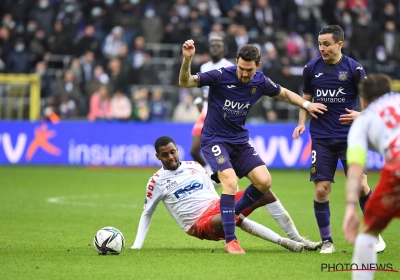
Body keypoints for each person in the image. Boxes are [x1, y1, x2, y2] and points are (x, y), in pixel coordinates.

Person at [179, 40, 327, 254]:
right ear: (236, 62)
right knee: (229, 182)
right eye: (241, 68)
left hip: (239, 141)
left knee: (264, 182)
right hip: (214, 140)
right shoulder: (220, 75)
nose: (245, 74)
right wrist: (188, 59)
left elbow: (284, 94)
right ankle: (231, 240)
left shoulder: (260, 81)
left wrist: (306, 105)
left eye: (249, 70)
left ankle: (230, 215)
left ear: (258, 65)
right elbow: (186, 82)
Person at [131, 136, 320, 253]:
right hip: (198, 224)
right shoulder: (156, 181)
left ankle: (297, 239)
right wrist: (137, 245)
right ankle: (285, 243)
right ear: (158, 157)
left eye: (172, 152)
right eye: (165, 155)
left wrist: (223, 199)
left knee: (265, 192)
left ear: (177, 150)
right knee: (229, 215)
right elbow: (147, 212)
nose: (170, 157)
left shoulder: (195, 167)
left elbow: (211, 190)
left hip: (215, 206)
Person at [292, 25, 386, 254]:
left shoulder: (354, 69)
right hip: (322, 138)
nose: (322, 48)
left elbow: (371, 103)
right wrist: (302, 122)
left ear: (339, 44)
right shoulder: (311, 68)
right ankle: (327, 241)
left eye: (326, 44)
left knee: (362, 185)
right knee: (322, 189)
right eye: (319, 44)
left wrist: (360, 115)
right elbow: (306, 99)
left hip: (350, 139)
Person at [342, 74, 398, 280]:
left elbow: (355, 169)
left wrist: (350, 208)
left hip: (396, 170)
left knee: (368, 232)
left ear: (363, 100)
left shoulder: (363, 121)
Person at [190, 36, 234, 175]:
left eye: (218, 45)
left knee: (221, 148)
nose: (215, 48)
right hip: (205, 112)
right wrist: (200, 102)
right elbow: (204, 91)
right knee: (194, 150)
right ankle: (211, 172)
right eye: (212, 45)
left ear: (224, 49)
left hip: (220, 113)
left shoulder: (229, 67)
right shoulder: (204, 66)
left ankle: (226, 175)